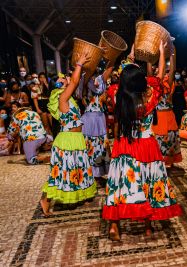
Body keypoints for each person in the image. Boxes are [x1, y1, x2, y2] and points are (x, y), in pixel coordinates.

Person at [102, 41, 182, 241]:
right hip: (147, 145)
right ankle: (148, 226)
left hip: (124, 145)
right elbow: (159, 75)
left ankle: (114, 225)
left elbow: (123, 78)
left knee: (120, 184)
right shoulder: (151, 95)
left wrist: (130, 56)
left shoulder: (117, 95)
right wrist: (162, 53)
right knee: (148, 181)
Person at [40, 53, 97, 216]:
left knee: (78, 171)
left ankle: (80, 195)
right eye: (64, 79)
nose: (67, 79)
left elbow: (78, 82)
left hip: (77, 139)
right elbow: (74, 81)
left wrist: (84, 68)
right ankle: (45, 199)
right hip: (66, 141)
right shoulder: (62, 98)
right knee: (61, 174)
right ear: (59, 85)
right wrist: (78, 64)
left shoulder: (70, 99)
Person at [81, 60, 114, 184]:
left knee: (99, 145)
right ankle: (91, 174)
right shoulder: (85, 82)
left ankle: (97, 174)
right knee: (93, 145)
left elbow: (109, 69)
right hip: (91, 118)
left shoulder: (96, 81)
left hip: (98, 117)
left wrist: (112, 57)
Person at [151, 46, 182, 168]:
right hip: (158, 115)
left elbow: (172, 71)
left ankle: (171, 161)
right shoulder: (153, 86)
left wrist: (173, 53)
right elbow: (156, 70)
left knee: (172, 138)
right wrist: (151, 57)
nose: (163, 74)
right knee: (159, 139)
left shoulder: (168, 84)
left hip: (169, 114)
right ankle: (160, 161)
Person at [31, 72, 53, 136]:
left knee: (52, 123)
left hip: (49, 104)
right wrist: (37, 108)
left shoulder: (49, 86)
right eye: (41, 77)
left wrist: (46, 84)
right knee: (45, 124)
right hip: (41, 104)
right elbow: (34, 99)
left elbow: (51, 94)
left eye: (44, 77)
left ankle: (55, 137)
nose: (42, 79)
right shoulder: (35, 87)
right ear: (38, 78)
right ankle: (49, 138)